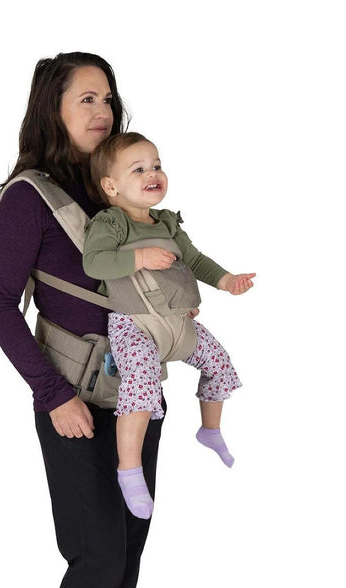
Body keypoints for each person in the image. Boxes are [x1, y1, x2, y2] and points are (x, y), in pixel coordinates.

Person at [0, 52, 171, 588]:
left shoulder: (116, 188)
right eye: (86, 98)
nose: (102, 110)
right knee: (95, 551)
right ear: (52, 110)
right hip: (74, 398)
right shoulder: (30, 198)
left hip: (137, 398)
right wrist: (53, 394)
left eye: (108, 98)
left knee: (128, 549)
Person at [84, 131, 254, 519]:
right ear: (111, 186)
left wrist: (227, 281)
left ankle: (209, 430)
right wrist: (140, 257)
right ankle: (129, 471)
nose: (153, 173)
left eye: (157, 165)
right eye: (139, 168)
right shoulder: (111, 223)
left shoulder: (167, 222)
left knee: (221, 366)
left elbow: (195, 260)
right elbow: (94, 264)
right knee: (142, 387)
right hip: (134, 325)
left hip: (178, 324)